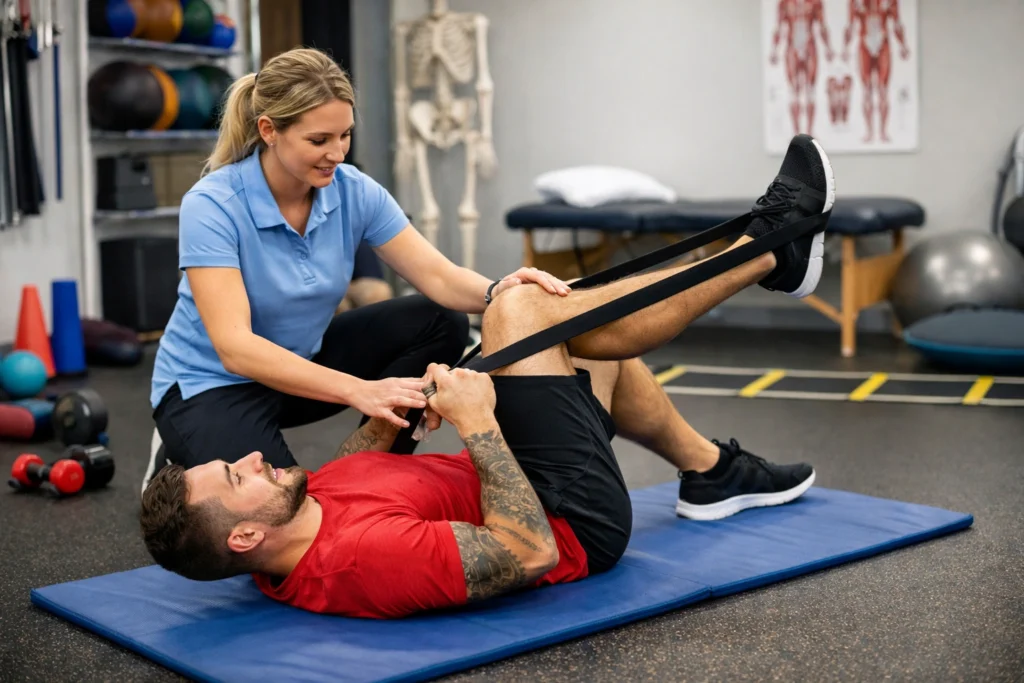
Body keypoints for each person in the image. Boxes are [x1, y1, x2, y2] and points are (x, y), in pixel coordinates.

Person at [139, 133, 833, 619]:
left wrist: (391, 414)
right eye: (237, 475)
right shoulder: (361, 559)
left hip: (536, 476)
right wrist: (477, 424)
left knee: (589, 343)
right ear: (242, 538)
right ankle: (768, 254)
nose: (255, 459)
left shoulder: (290, 516)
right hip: (572, 519)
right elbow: (527, 552)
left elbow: (351, 477)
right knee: (524, 307)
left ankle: (710, 470)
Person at [143, 47, 571, 493]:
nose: (337, 153)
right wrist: (357, 390)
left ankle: (375, 470)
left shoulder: (352, 190)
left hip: (299, 368)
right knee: (285, 516)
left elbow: (439, 277)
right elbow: (235, 348)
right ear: (269, 130)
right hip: (210, 387)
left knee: (437, 320)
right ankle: (173, 454)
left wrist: (501, 289)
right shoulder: (213, 204)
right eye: (319, 140)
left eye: (344, 135)